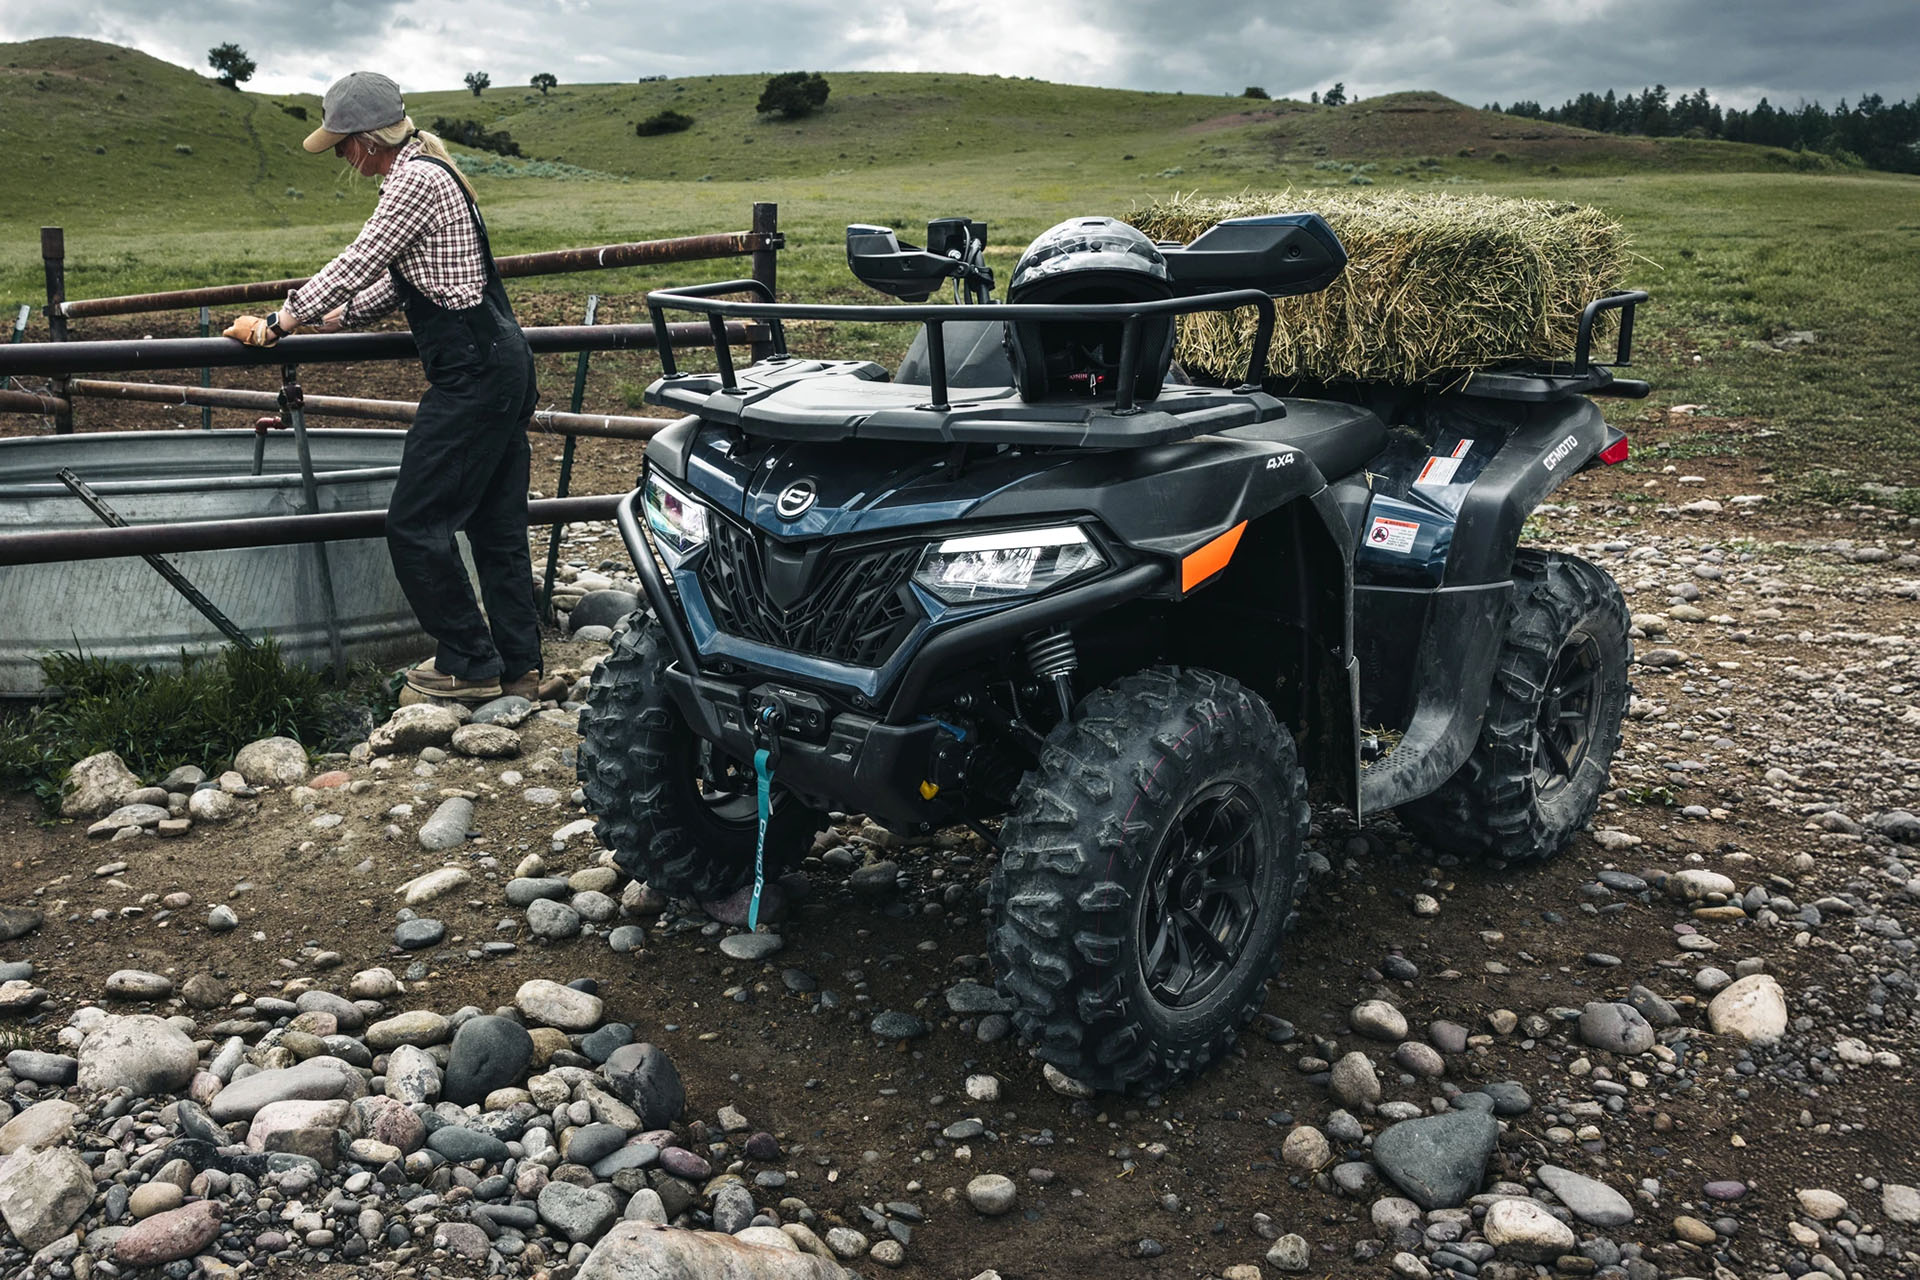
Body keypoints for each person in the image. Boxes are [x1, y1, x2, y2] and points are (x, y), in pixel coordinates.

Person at [224, 71, 555, 703]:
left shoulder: (414, 179)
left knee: (413, 521)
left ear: (367, 139)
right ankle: (520, 666)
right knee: (495, 526)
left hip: (472, 372)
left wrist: (281, 320)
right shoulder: (435, 171)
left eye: (344, 145)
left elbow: (364, 256)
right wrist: (336, 318)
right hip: (499, 360)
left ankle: (468, 662)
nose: (344, 158)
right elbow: (400, 277)